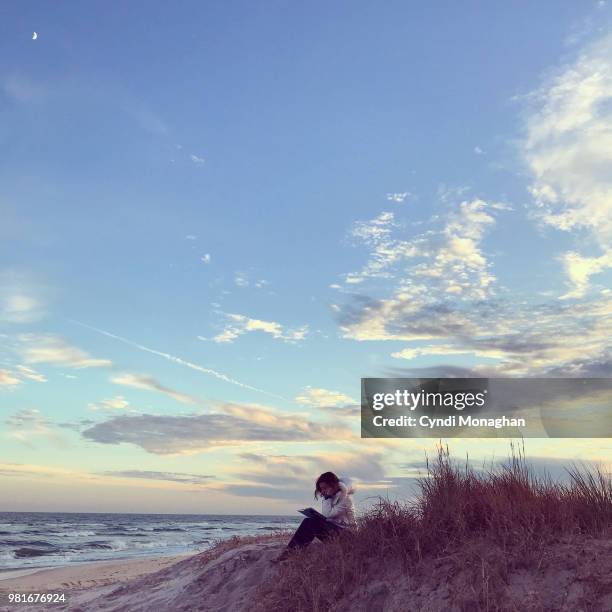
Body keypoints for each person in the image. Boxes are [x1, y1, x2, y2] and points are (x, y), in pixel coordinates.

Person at [274, 472, 356, 562]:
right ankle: (292, 552)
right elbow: (327, 516)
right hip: (335, 532)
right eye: (322, 489)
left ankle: (292, 552)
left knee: (313, 522)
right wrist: (327, 498)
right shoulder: (331, 497)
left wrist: (326, 498)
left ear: (333, 485)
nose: (323, 491)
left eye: (325, 488)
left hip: (347, 536)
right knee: (308, 520)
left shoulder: (346, 499)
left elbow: (328, 515)